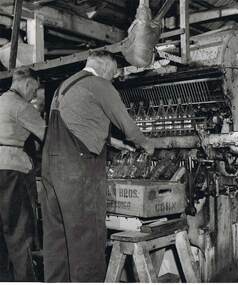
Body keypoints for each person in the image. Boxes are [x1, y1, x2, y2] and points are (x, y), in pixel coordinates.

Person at [41, 50, 155, 282]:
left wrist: (114, 143)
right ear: (105, 68)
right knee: (87, 240)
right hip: (78, 170)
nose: (112, 79)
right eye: (113, 75)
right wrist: (147, 144)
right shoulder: (100, 84)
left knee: (57, 239)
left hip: (52, 168)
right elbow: (126, 123)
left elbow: (78, 122)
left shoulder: (65, 85)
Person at [0, 68, 46, 281]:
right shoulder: (21, 106)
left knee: (2, 233)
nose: (34, 96)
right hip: (11, 169)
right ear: (27, 84)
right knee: (20, 231)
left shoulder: (1, 100)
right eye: (34, 90)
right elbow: (48, 135)